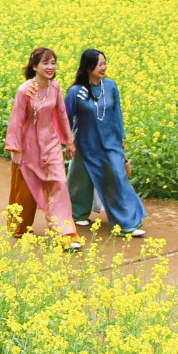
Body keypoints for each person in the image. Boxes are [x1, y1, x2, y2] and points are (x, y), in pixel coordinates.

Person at [65, 49, 149, 238]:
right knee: (80, 179)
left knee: (117, 177)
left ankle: (126, 222)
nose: (103, 67)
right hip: (86, 142)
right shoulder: (76, 91)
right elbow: (65, 118)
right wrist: (67, 141)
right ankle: (77, 213)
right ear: (88, 67)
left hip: (110, 141)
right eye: (99, 64)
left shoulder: (110, 86)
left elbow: (116, 114)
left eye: (104, 63)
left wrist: (121, 138)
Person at [5, 46, 79, 251]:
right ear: (35, 66)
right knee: (27, 189)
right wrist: (16, 150)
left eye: (53, 63)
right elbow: (17, 120)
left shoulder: (55, 88)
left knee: (60, 186)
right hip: (29, 147)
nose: (50, 67)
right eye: (45, 63)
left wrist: (69, 141)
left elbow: (63, 115)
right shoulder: (24, 90)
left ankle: (65, 233)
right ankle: (19, 227)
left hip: (51, 145)